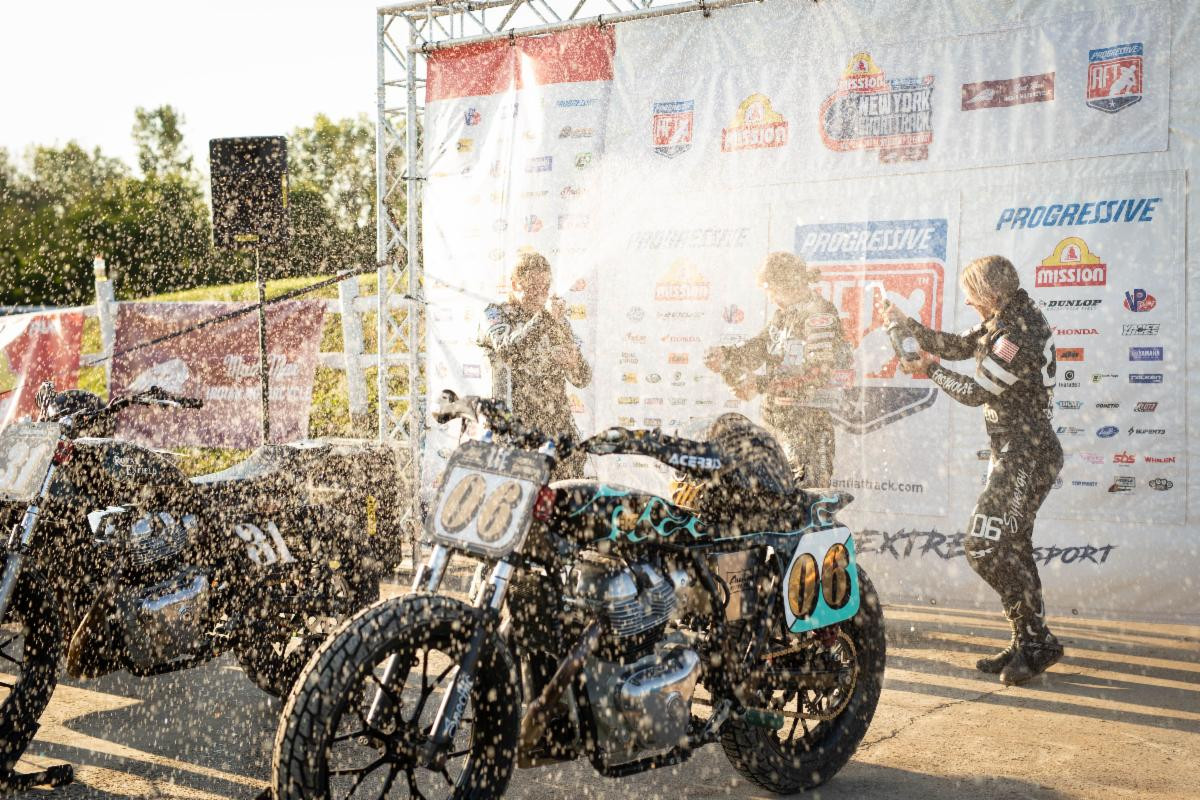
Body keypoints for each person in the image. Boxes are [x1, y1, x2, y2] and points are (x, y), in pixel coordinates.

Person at [880, 254, 1064, 685]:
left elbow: (975, 390)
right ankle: (1030, 641)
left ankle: (1036, 643)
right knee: (1012, 546)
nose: (970, 306)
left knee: (984, 545)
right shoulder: (1007, 314)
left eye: (971, 299)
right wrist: (910, 328)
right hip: (1018, 451)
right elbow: (960, 345)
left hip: (1027, 454)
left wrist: (929, 369)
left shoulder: (1016, 329)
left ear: (991, 294)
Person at [703, 251, 851, 488]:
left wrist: (760, 384)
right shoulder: (783, 316)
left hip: (807, 427)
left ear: (787, 283)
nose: (771, 298)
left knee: (807, 501)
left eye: (771, 290)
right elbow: (759, 348)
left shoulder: (818, 314)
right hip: (777, 423)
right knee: (774, 501)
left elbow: (819, 373)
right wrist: (727, 355)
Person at [478, 250, 592, 474]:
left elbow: (582, 378)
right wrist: (545, 319)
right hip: (513, 434)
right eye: (533, 286)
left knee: (567, 501)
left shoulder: (555, 322)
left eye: (545, 287)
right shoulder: (496, 314)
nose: (540, 294)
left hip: (557, 433)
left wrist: (574, 363)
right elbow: (508, 350)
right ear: (515, 284)